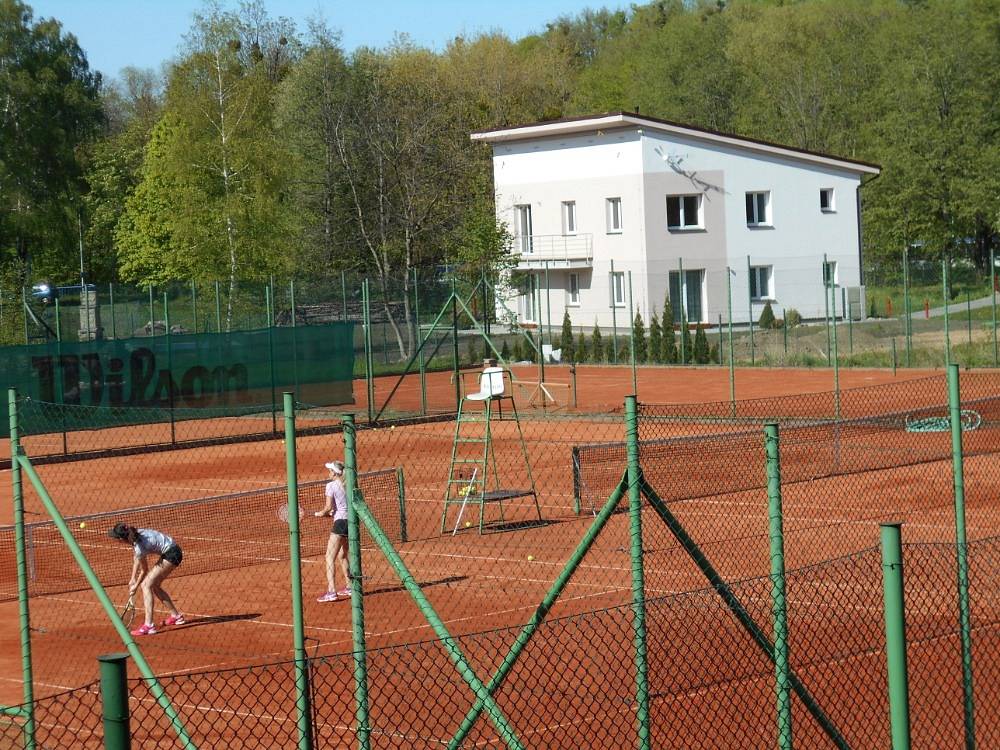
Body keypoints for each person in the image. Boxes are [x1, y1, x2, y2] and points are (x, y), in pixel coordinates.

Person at [108, 523, 185, 636]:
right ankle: (176, 617)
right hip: (171, 551)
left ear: (121, 539)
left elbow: (144, 570)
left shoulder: (139, 546)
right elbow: (136, 557)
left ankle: (149, 625)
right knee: (155, 586)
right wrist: (132, 578)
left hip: (172, 554)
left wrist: (136, 586)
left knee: (146, 585)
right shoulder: (135, 534)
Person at [315, 460, 351, 602]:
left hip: (340, 523)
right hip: (350, 523)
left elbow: (328, 507)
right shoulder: (347, 484)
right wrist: (331, 513)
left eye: (330, 471)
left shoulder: (331, 486)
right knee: (342, 555)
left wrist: (321, 513)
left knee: (329, 557)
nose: (328, 472)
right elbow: (341, 507)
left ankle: (331, 591)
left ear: (335, 473)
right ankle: (350, 587)